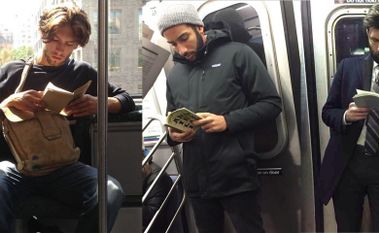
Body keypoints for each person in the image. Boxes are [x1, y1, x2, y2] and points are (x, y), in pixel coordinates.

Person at [0, 3, 135, 233]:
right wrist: (8, 103)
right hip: (15, 168)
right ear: (43, 35)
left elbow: (126, 99)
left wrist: (100, 103)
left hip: (64, 168)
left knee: (110, 192)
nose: (60, 49)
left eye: (69, 44)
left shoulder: (81, 72)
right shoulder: (12, 71)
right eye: (55, 39)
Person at [156, 4, 281, 233]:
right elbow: (171, 117)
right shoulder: (175, 74)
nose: (181, 50)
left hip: (236, 173)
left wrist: (227, 121)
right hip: (196, 179)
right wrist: (174, 135)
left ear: (200, 28)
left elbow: (271, 104)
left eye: (184, 38)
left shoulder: (238, 53)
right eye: (173, 44)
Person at [319, 3, 379, 232]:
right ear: (367, 35)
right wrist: (346, 116)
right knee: (347, 227)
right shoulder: (347, 67)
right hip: (349, 161)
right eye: (374, 40)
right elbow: (327, 111)